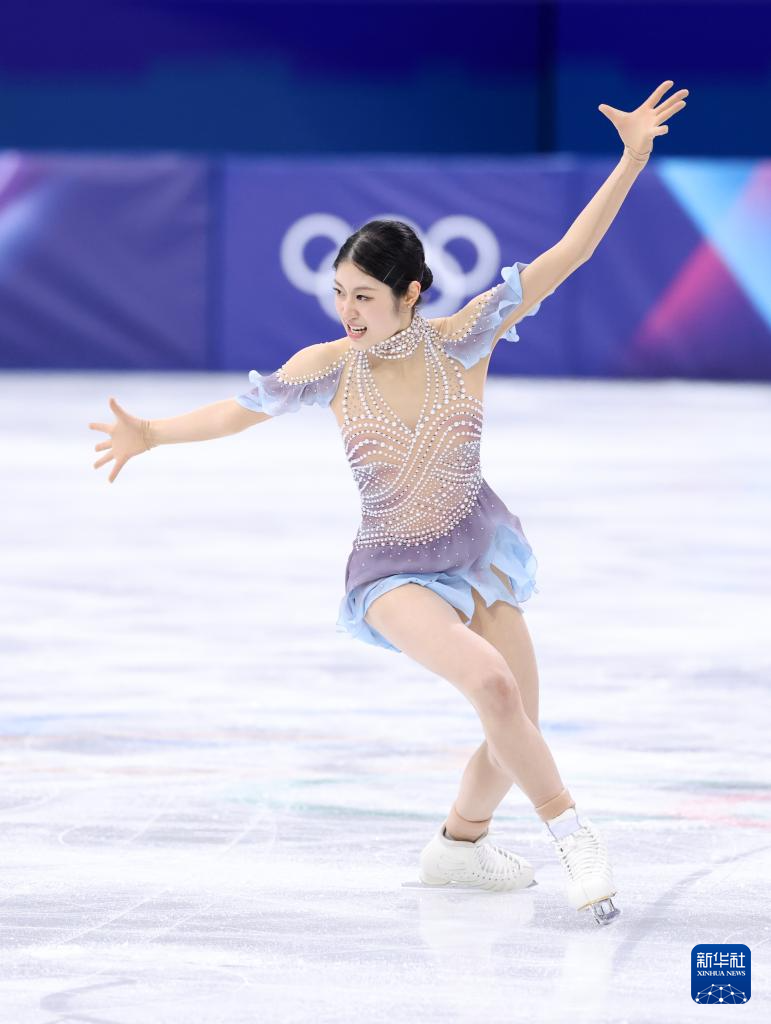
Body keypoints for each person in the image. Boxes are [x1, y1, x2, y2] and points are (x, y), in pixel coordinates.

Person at [89, 81, 687, 924]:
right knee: (493, 685)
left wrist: (629, 160)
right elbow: (237, 410)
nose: (347, 311)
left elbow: (571, 251)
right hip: (392, 573)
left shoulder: (467, 336)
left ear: (410, 291)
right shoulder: (329, 366)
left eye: (363, 295)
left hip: (476, 551)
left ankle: (458, 845)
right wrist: (150, 433)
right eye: (339, 292)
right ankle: (574, 836)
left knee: (511, 723)